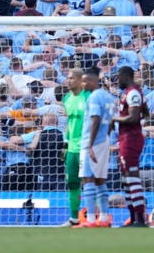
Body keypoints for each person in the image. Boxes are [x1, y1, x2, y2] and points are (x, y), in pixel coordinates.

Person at [76, 66, 116, 228]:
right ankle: (104, 219)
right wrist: (105, 138)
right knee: (100, 180)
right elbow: (112, 122)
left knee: (88, 179)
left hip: (91, 142)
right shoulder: (109, 97)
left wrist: (90, 144)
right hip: (104, 140)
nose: (83, 84)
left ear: (93, 81)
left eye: (85, 81)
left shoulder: (94, 97)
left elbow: (95, 120)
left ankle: (91, 220)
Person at [111, 66, 148, 227]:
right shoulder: (132, 93)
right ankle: (133, 218)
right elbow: (145, 112)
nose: (116, 81)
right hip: (127, 137)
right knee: (126, 179)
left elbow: (133, 117)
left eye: (118, 77)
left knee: (132, 177)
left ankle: (139, 219)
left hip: (131, 138)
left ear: (125, 76)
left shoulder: (133, 92)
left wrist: (114, 119)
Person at [60, 68, 88, 228]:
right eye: (67, 78)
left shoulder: (88, 97)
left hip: (86, 147)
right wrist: (65, 143)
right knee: (72, 183)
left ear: (79, 80)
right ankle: (73, 219)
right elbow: (70, 125)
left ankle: (96, 218)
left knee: (90, 182)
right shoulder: (66, 99)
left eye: (71, 78)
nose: (68, 80)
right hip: (71, 148)